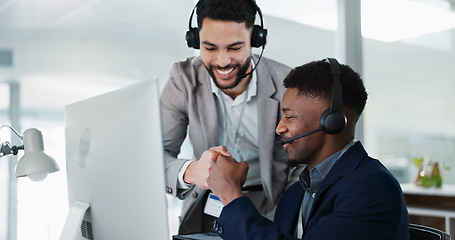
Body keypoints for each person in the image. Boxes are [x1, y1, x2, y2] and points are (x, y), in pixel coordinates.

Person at [207, 58, 410, 239]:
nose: (279, 128)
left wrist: (231, 195)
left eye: (290, 117)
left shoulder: (372, 188)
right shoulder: (295, 194)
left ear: (332, 121)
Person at [160, 0, 303, 234]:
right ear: (196, 42)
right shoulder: (182, 79)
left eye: (235, 48)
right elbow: (157, 155)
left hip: (269, 205)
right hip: (206, 203)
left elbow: (305, 163)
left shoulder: (287, 82)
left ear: (255, 39)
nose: (222, 61)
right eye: (210, 48)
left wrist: (281, 215)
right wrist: (191, 171)